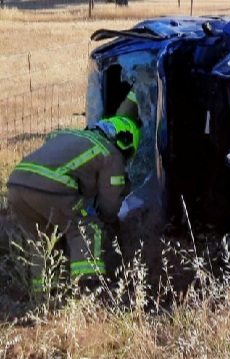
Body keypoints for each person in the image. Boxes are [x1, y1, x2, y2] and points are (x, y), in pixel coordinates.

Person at [6, 90, 141, 295]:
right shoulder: (110, 152)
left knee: (43, 238)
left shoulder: (71, 135)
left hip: (16, 184)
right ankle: (87, 287)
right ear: (125, 143)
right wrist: (109, 222)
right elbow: (110, 205)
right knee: (86, 226)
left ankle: (44, 293)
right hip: (50, 185)